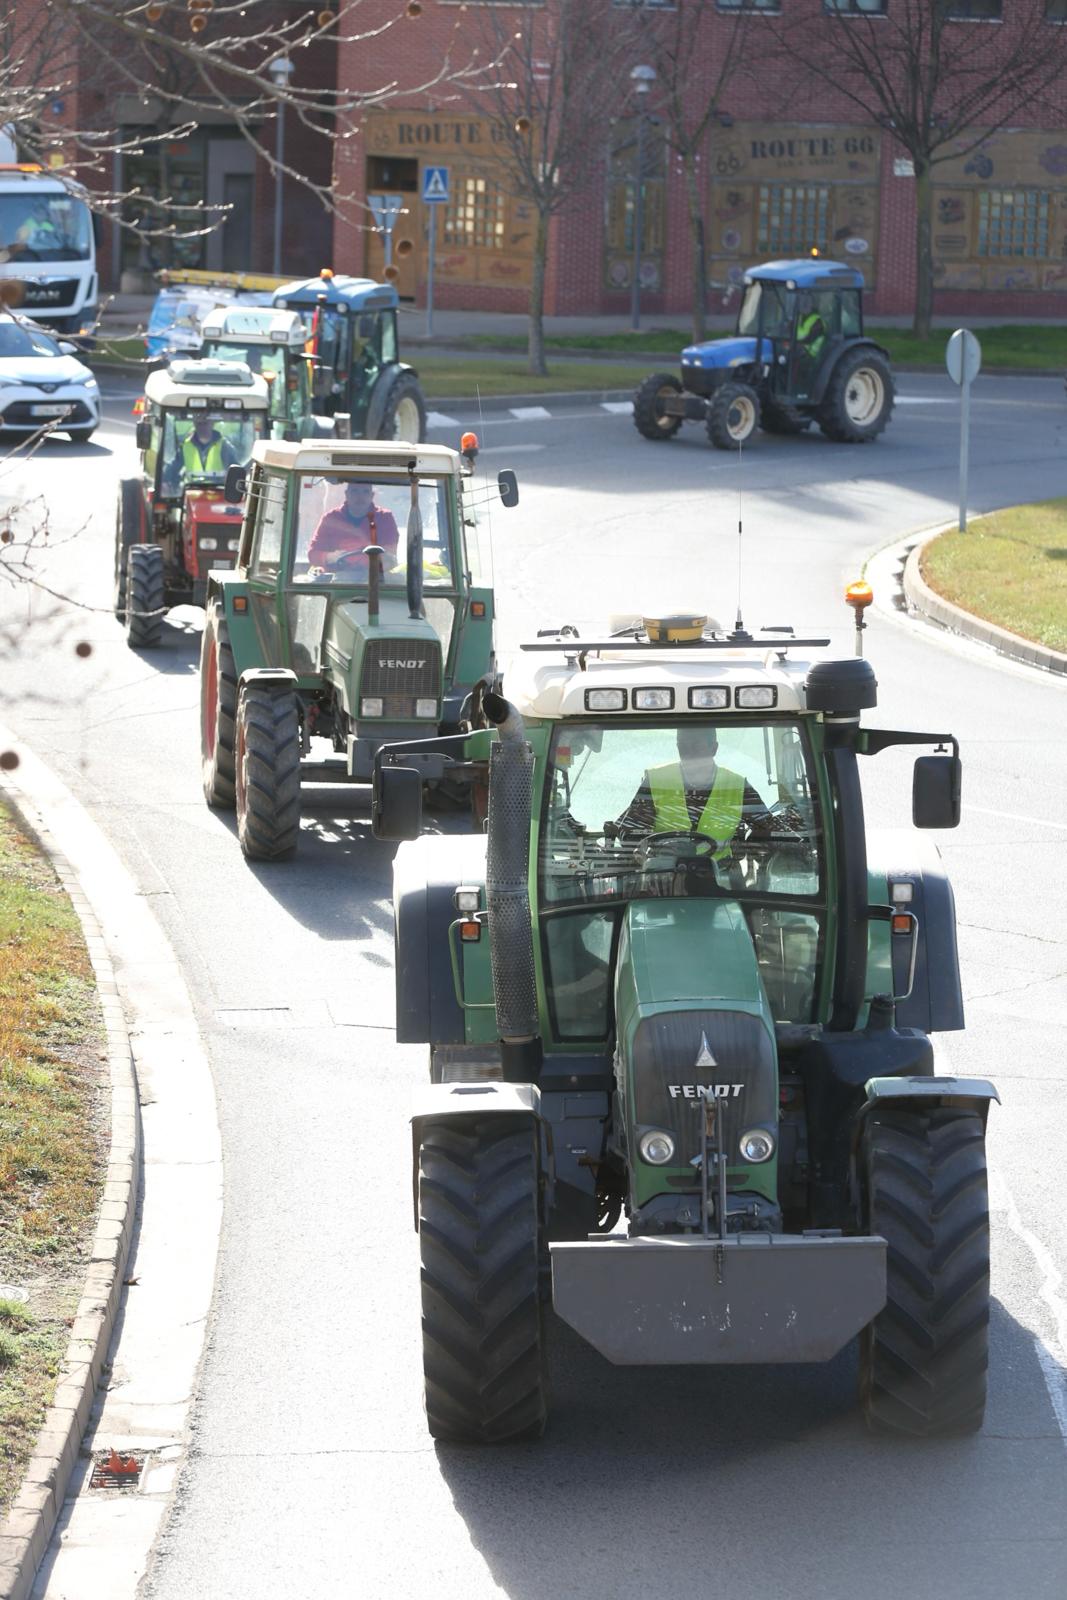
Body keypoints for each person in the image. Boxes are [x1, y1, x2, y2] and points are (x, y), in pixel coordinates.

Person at [616, 725, 769, 861]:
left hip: (721, 879)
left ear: (714, 748)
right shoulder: (655, 781)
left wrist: (750, 847)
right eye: (682, 746)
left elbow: (767, 829)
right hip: (664, 878)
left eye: (696, 746)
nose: (688, 753)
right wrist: (643, 853)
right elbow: (630, 831)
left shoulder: (738, 786)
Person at [307, 480, 399, 573]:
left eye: (365, 492)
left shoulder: (385, 518)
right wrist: (331, 557)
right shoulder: (331, 518)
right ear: (346, 494)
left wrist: (363, 550)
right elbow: (313, 554)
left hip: (374, 579)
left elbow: (390, 556)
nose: (360, 497)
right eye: (355, 491)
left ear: (372, 496)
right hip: (336, 582)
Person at [167, 413, 239, 482]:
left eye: (205, 423)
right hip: (192, 493)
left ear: (212, 424)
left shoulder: (224, 446)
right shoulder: (185, 447)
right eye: (199, 424)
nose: (202, 427)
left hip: (219, 493)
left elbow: (236, 473)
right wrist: (165, 482)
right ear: (194, 424)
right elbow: (171, 471)